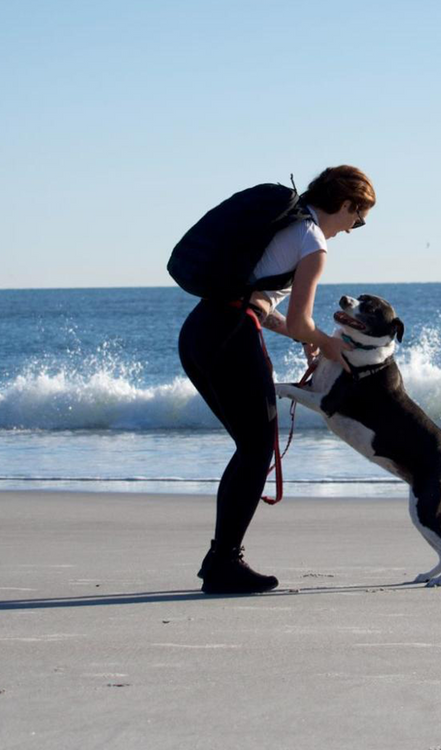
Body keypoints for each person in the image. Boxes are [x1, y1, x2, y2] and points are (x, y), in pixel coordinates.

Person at [177, 165, 374, 594]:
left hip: (199, 332)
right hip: (228, 337)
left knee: (251, 447)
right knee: (254, 449)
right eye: (357, 220)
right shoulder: (313, 241)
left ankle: (221, 559)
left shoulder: (285, 222)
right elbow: (303, 322)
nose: (352, 229)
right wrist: (327, 343)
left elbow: (256, 302)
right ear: (344, 205)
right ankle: (223, 562)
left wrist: (300, 333)